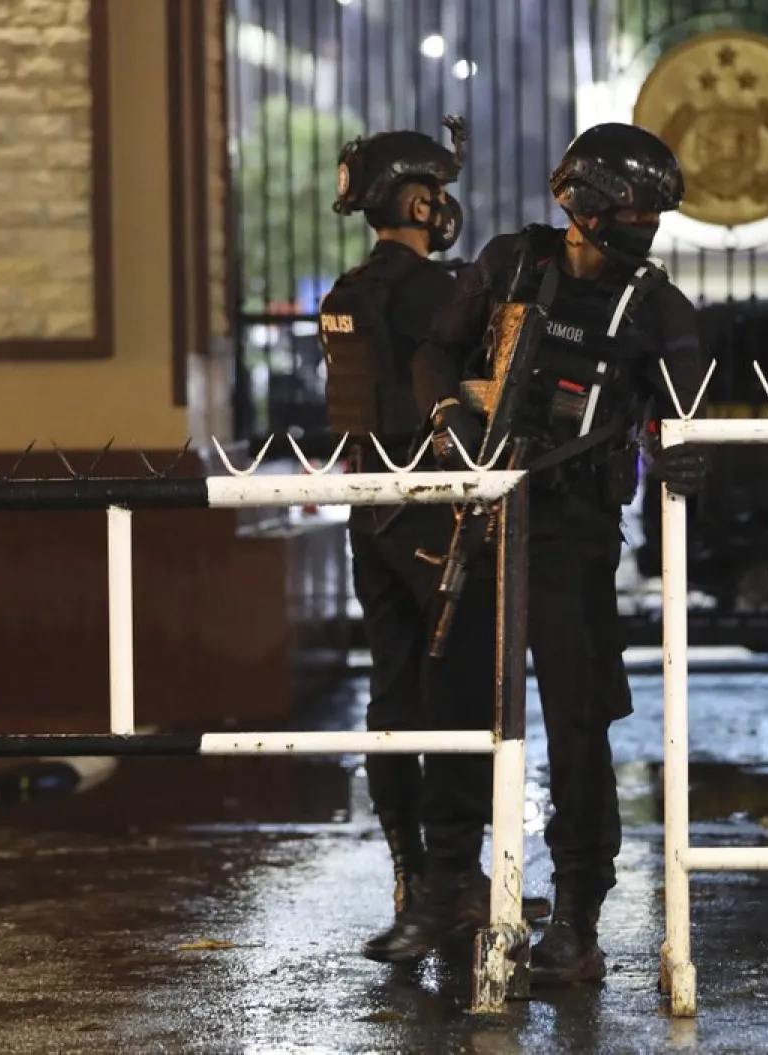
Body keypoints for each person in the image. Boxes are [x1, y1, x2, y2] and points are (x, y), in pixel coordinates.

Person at [405, 122, 711, 981]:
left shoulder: (658, 308)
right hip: (482, 515)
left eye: (655, 211)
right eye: (633, 206)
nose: (646, 222)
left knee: (578, 728)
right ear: (583, 202)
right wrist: (448, 414)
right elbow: (435, 348)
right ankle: (451, 882)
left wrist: (682, 451)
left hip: (574, 537)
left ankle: (576, 917)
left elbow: (687, 420)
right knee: (457, 706)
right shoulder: (509, 264)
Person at [320, 121, 551, 963]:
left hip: (368, 514)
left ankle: (415, 877)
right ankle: (459, 885)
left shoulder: (342, 293)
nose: (446, 207)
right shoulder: (445, 292)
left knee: (391, 701)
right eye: (439, 193)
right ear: (419, 200)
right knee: (462, 699)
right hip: (441, 513)